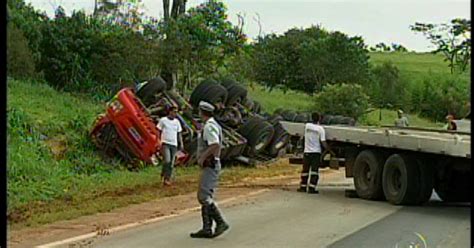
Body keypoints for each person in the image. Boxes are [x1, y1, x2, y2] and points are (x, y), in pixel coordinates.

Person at [190, 101, 229, 239]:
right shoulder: (210, 125)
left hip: (210, 164)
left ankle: (220, 222)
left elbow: (215, 145)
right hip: (210, 164)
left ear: (202, 112)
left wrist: (202, 157)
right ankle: (207, 228)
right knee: (205, 196)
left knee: (204, 196)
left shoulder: (210, 127)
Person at [298, 112, 332, 194]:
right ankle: (311, 188)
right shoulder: (321, 129)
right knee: (314, 171)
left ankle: (303, 187)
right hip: (316, 153)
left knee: (305, 171)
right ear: (319, 119)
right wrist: (329, 150)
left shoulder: (307, 126)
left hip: (307, 152)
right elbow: (323, 142)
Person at [157, 105, 183, 186]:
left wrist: (181, 143)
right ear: (170, 112)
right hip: (165, 143)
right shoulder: (163, 120)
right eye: (174, 112)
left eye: (176, 112)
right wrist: (159, 141)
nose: (175, 114)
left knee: (171, 163)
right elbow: (159, 131)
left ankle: (167, 178)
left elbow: (179, 133)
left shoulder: (177, 122)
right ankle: (164, 173)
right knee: (167, 160)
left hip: (174, 144)